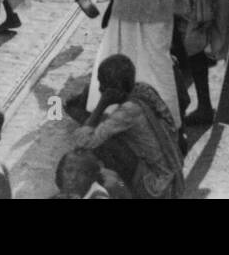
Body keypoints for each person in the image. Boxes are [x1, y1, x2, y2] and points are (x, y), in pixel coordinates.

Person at [73, 54, 185, 200]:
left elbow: (82, 142)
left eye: (103, 85)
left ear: (114, 89)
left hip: (157, 186)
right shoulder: (144, 90)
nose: (100, 89)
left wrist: (101, 105)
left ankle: (127, 193)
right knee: (112, 132)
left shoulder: (127, 112)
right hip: (175, 175)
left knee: (103, 146)